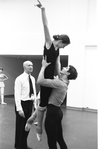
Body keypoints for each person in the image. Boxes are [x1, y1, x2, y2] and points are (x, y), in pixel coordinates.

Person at [25, 0, 70, 141]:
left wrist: (59, 77)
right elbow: (45, 25)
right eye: (64, 45)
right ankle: (38, 129)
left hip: (51, 77)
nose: (64, 48)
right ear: (61, 41)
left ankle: (31, 120)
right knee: (43, 104)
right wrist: (43, 9)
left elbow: (57, 63)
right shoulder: (49, 43)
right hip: (44, 75)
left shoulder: (57, 51)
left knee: (44, 103)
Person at [37, 57, 78, 149]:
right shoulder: (65, 82)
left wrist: (43, 67)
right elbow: (59, 67)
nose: (63, 67)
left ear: (67, 73)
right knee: (59, 138)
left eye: (66, 68)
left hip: (52, 114)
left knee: (52, 141)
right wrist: (57, 56)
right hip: (57, 113)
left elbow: (40, 81)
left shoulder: (59, 83)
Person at [14, 60, 36, 149]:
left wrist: (35, 105)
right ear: (24, 67)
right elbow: (17, 94)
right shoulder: (19, 79)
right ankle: (18, 146)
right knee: (20, 127)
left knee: (27, 125)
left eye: (32, 65)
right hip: (22, 104)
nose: (31, 67)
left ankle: (24, 144)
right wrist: (19, 109)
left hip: (30, 103)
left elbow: (33, 92)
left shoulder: (33, 78)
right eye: (28, 65)